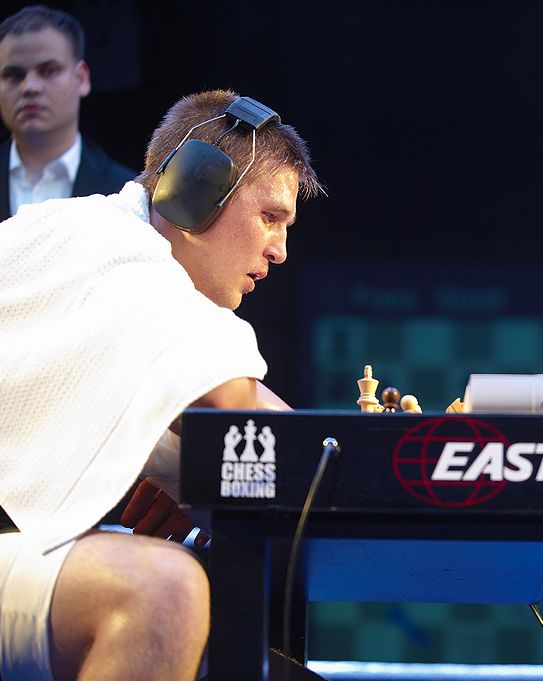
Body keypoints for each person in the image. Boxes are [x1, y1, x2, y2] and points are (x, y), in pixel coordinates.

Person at [0, 89, 322, 680]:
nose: (279, 251)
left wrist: (180, 480)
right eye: (270, 218)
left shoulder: (86, 238)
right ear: (194, 188)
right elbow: (236, 412)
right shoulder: (119, 253)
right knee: (166, 589)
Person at [0, 4, 135, 221]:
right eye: (14, 75)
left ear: (81, 78)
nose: (30, 87)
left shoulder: (127, 195)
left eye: (47, 71)